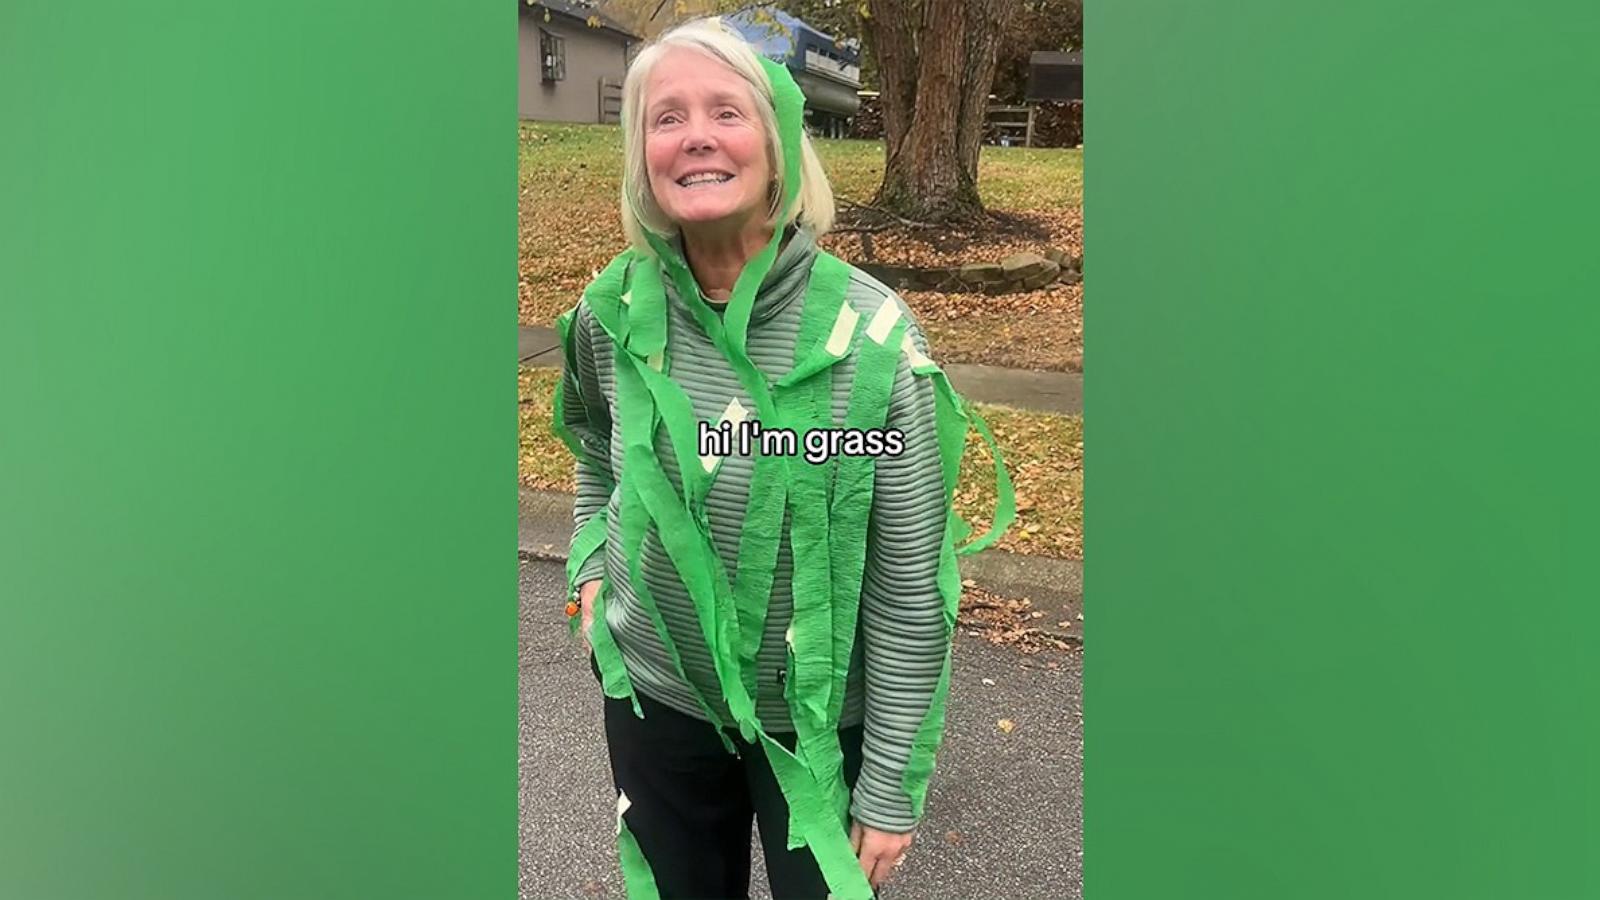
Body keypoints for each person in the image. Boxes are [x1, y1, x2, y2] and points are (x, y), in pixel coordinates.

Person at [554, 16, 1011, 900]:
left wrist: (889, 783)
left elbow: (912, 580)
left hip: (817, 730)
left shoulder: (873, 342)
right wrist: (591, 568)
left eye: (726, 111)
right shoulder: (610, 312)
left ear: (780, 144)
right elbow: (600, 452)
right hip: (656, 703)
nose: (695, 136)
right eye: (665, 116)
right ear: (641, 154)